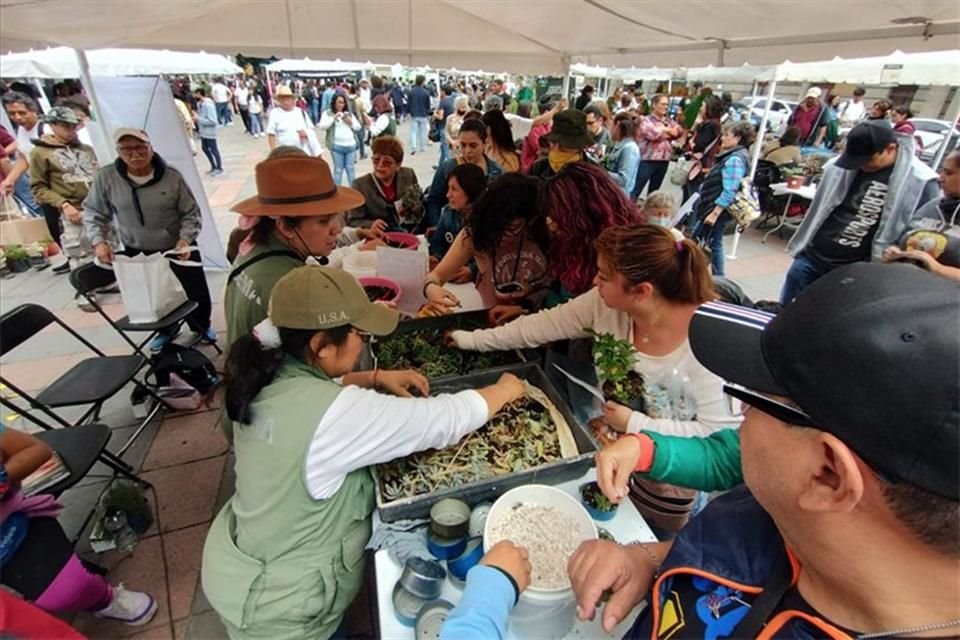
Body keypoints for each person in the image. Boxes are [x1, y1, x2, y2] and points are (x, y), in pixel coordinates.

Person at [449, 261, 960, 638]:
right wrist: (650, 557)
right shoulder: (775, 511)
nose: (739, 417)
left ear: (828, 474)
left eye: (755, 401)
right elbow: (725, 461)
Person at [202, 265, 526, 639]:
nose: (362, 343)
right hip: (285, 610)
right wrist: (505, 390)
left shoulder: (264, 371)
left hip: (252, 565)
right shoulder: (333, 416)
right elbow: (441, 420)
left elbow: (315, 390)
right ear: (321, 345)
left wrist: (372, 377)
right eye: (359, 334)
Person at [449, 225, 734, 441]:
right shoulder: (603, 304)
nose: (594, 280)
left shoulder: (711, 343)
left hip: (668, 480)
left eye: (604, 276)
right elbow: (541, 326)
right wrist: (470, 340)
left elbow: (716, 437)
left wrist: (633, 424)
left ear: (641, 291)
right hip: (610, 442)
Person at [0, 423, 159, 627]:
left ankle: (104, 599)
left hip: (13, 527)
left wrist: (5, 476)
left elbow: (36, 451)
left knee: (68, 590)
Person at [84, 128, 217, 348]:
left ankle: (201, 327)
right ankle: (166, 330)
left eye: (139, 147)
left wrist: (185, 239)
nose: (134, 153)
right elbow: (94, 212)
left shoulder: (171, 176)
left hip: (177, 247)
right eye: (126, 149)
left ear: (151, 148)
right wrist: (98, 241)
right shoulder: (107, 177)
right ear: (118, 152)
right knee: (152, 296)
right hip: (137, 249)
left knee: (195, 291)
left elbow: (191, 213)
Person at [780, 120, 939, 303]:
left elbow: (920, 232)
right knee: (786, 312)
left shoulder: (921, 181)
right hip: (812, 257)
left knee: (830, 320)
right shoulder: (839, 166)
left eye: (867, 160)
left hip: (856, 270)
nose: (860, 165)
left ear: (890, 149)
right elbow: (821, 207)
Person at [424, 174, 550, 324]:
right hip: (494, 319)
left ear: (532, 219)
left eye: (514, 227)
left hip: (542, 318)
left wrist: (524, 307)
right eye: (500, 224)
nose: (505, 232)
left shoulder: (545, 230)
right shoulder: (476, 233)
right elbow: (436, 276)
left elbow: (557, 284)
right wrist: (430, 288)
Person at [545, 162, 641, 300]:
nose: (551, 225)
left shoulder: (624, 257)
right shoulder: (569, 241)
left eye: (559, 218)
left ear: (587, 216)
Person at [29, 107, 99, 276]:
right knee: (79, 252)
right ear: (53, 126)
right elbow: (38, 186)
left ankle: (108, 282)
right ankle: (85, 288)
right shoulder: (40, 153)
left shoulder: (86, 149)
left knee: (104, 245)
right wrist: (63, 204)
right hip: (71, 208)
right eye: (65, 126)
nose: (71, 131)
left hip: (96, 206)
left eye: (73, 126)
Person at [883, 148, 960, 281]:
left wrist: (937, 268)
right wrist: (893, 251)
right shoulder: (932, 206)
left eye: (948, 173)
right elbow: (899, 240)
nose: (940, 178)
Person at [692, 121, 755, 276]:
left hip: (715, 208)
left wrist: (715, 212)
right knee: (707, 240)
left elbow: (730, 189)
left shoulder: (734, 159)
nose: (723, 138)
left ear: (738, 138)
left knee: (711, 242)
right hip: (714, 206)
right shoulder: (737, 156)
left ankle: (718, 276)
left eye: (727, 135)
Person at [425, 119, 504, 228]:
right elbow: (434, 200)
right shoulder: (447, 167)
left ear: (485, 143)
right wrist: (439, 226)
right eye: (463, 145)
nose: (467, 151)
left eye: (473, 145)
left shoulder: (497, 172)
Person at [348, 135, 423, 230]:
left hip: (408, 231)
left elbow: (418, 205)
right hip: (377, 236)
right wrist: (371, 224)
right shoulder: (360, 185)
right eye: (376, 160)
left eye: (387, 162)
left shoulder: (408, 174)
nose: (379, 166)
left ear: (398, 165)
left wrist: (412, 210)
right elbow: (352, 221)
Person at [428, 162, 485, 281]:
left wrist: (472, 270)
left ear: (470, 191)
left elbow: (492, 259)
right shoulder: (448, 213)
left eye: (454, 189)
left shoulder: (488, 220)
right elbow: (438, 244)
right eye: (448, 188)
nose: (448, 195)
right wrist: (436, 257)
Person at [0, 92, 44, 224]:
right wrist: (9, 180)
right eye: (12, 114)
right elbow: (23, 158)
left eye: (22, 112)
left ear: (32, 110)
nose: (17, 117)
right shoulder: (22, 130)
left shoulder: (45, 128)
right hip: (38, 184)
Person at [632, 94, 683, 200]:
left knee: (654, 194)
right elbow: (652, 134)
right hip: (647, 160)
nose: (666, 107)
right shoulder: (645, 120)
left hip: (663, 161)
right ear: (654, 105)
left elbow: (679, 132)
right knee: (636, 189)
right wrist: (668, 131)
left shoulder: (668, 121)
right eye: (663, 104)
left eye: (667, 104)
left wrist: (663, 130)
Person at [528, 108, 594, 180]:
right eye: (553, 142)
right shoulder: (538, 168)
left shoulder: (594, 175)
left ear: (579, 146)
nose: (555, 148)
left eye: (564, 146)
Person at [682, 94, 724, 202]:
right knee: (690, 194)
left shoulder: (711, 125)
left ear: (709, 108)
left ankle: (689, 218)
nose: (700, 108)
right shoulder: (713, 124)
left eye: (703, 106)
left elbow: (699, 145)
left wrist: (695, 126)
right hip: (700, 163)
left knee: (691, 197)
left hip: (700, 164)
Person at [318, 94, 361, 187]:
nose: (341, 105)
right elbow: (321, 126)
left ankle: (354, 190)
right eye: (339, 102)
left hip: (350, 145)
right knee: (338, 169)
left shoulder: (348, 113)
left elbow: (358, 127)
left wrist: (350, 122)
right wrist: (333, 118)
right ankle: (337, 191)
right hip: (336, 145)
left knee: (350, 168)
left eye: (343, 102)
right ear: (334, 103)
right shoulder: (327, 113)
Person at [266, 85, 317, 155]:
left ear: (292, 100)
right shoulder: (274, 113)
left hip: (302, 151)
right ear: (279, 100)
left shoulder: (300, 112)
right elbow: (271, 133)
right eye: (282, 99)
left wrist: (306, 133)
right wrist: (273, 152)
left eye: (287, 99)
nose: (285, 102)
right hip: (284, 153)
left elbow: (311, 129)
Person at [520, 95, 565, 173]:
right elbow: (541, 149)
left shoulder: (549, 126)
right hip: (533, 168)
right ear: (547, 113)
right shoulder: (535, 128)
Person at [605, 113, 640, 197]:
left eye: (611, 125)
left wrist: (601, 171)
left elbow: (623, 180)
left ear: (617, 125)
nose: (610, 129)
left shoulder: (630, 148)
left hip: (617, 197)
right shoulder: (620, 145)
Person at [193, 87, 224, 176]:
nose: (194, 96)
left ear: (199, 94)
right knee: (205, 149)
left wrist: (198, 119)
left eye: (195, 94)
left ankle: (219, 167)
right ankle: (213, 166)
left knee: (214, 149)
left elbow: (213, 121)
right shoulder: (200, 104)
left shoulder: (208, 105)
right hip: (203, 132)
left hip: (210, 132)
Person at [407, 75, 431, 155]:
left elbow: (409, 103)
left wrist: (408, 112)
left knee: (413, 131)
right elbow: (428, 105)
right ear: (423, 82)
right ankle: (422, 147)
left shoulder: (411, 91)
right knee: (422, 131)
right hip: (423, 113)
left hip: (414, 113)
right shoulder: (425, 92)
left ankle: (414, 146)